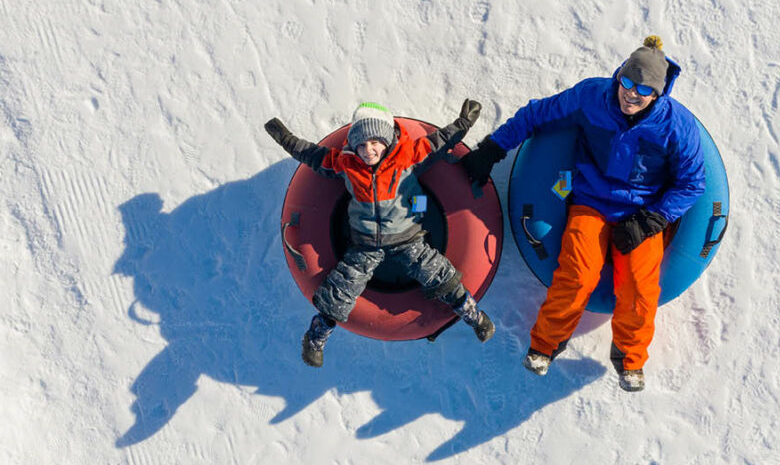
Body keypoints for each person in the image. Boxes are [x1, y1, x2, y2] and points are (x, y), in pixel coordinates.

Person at [460, 36, 706, 392]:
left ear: (658, 94)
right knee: (577, 273)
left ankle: (630, 359)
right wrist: (493, 148)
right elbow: (537, 114)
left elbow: (693, 182)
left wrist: (652, 219)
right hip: (591, 202)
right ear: (618, 75)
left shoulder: (676, 126)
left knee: (639, 285)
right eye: (626, 82)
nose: (630, 94)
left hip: (642, 211)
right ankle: (545, 345)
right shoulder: (592, 97)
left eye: (642, 89)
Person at [264, 100, 495, 367]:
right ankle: (315, 338)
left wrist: (464, 123)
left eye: (375, 142)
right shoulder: (345, 164)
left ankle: (473, 317)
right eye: (361, 144)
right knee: (341, 288)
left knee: (439, 274)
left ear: (387, 140)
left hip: (408, 239)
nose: (368, 150)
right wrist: (285, 139)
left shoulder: (407, 156)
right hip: (364, 246)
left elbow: (439, 142)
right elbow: (312, 156)